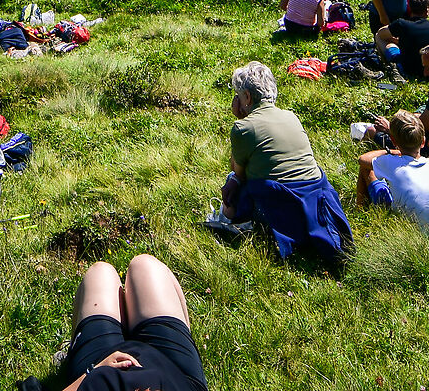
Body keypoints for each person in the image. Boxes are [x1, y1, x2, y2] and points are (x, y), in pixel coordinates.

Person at [221, 62, 352, 259]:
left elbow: (238, 171)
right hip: (315, 193)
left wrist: (240, 119)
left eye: (238, 96)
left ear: (246, 97)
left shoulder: (243, 128)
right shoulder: (291, 116)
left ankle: (238, 221)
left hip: (280, 198)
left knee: (233, 183)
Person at [43, 255, 208, 391]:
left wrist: (91, 372)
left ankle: (74, 353)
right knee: (145, 266)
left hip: (100, 369)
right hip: (174, 374)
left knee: (100, 272)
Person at [354, 110, 429, 233]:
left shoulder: (392, 162)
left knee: (367, 169)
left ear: (393, 141)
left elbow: (363, 159)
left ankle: (360, 213)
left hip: (405, 230)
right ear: (423, 141)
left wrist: (393, 152)